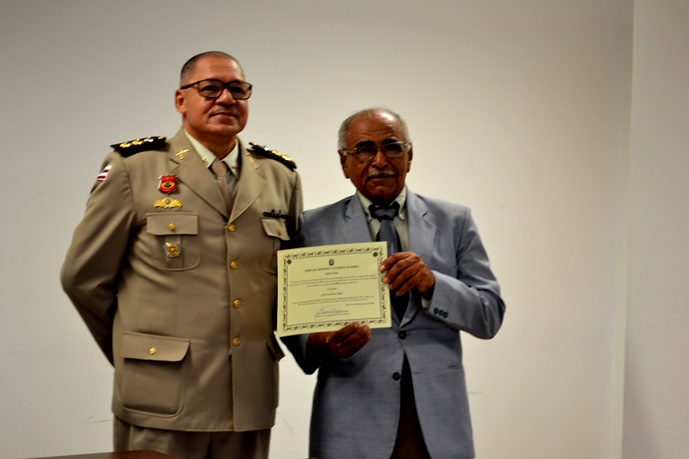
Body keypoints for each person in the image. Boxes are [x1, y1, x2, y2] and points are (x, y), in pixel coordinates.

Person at [61, 51, 303, 459]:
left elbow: (291, 283)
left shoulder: (281, 175)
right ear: (181, 100)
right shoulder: (134, 168)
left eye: (238, 89)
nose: (225, 98)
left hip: (248, 399)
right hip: (160, 398)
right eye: (210, 88)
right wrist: (134, 352)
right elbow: (82, 278)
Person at [282, 108, 505, 459]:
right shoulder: (312, 227)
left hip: (437, 421)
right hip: (351, 417)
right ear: (344, 162)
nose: (380, 160)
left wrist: (433, 284)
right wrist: (320, 344)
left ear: (409, 156)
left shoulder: (454, 221)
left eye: (392, 147)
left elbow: (489, 314)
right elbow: (293, 325)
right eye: (364, 149)